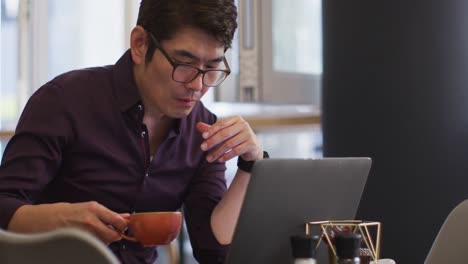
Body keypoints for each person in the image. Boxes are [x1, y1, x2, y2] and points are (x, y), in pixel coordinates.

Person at [0, 0, 267, 263]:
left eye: (211, 68)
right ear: (140, 44)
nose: (197, 85)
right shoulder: (64, 101)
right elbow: (4, 204)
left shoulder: (203, 130)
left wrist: (249, 165)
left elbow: (213, 251)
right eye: (184, 64)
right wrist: (61, 220)